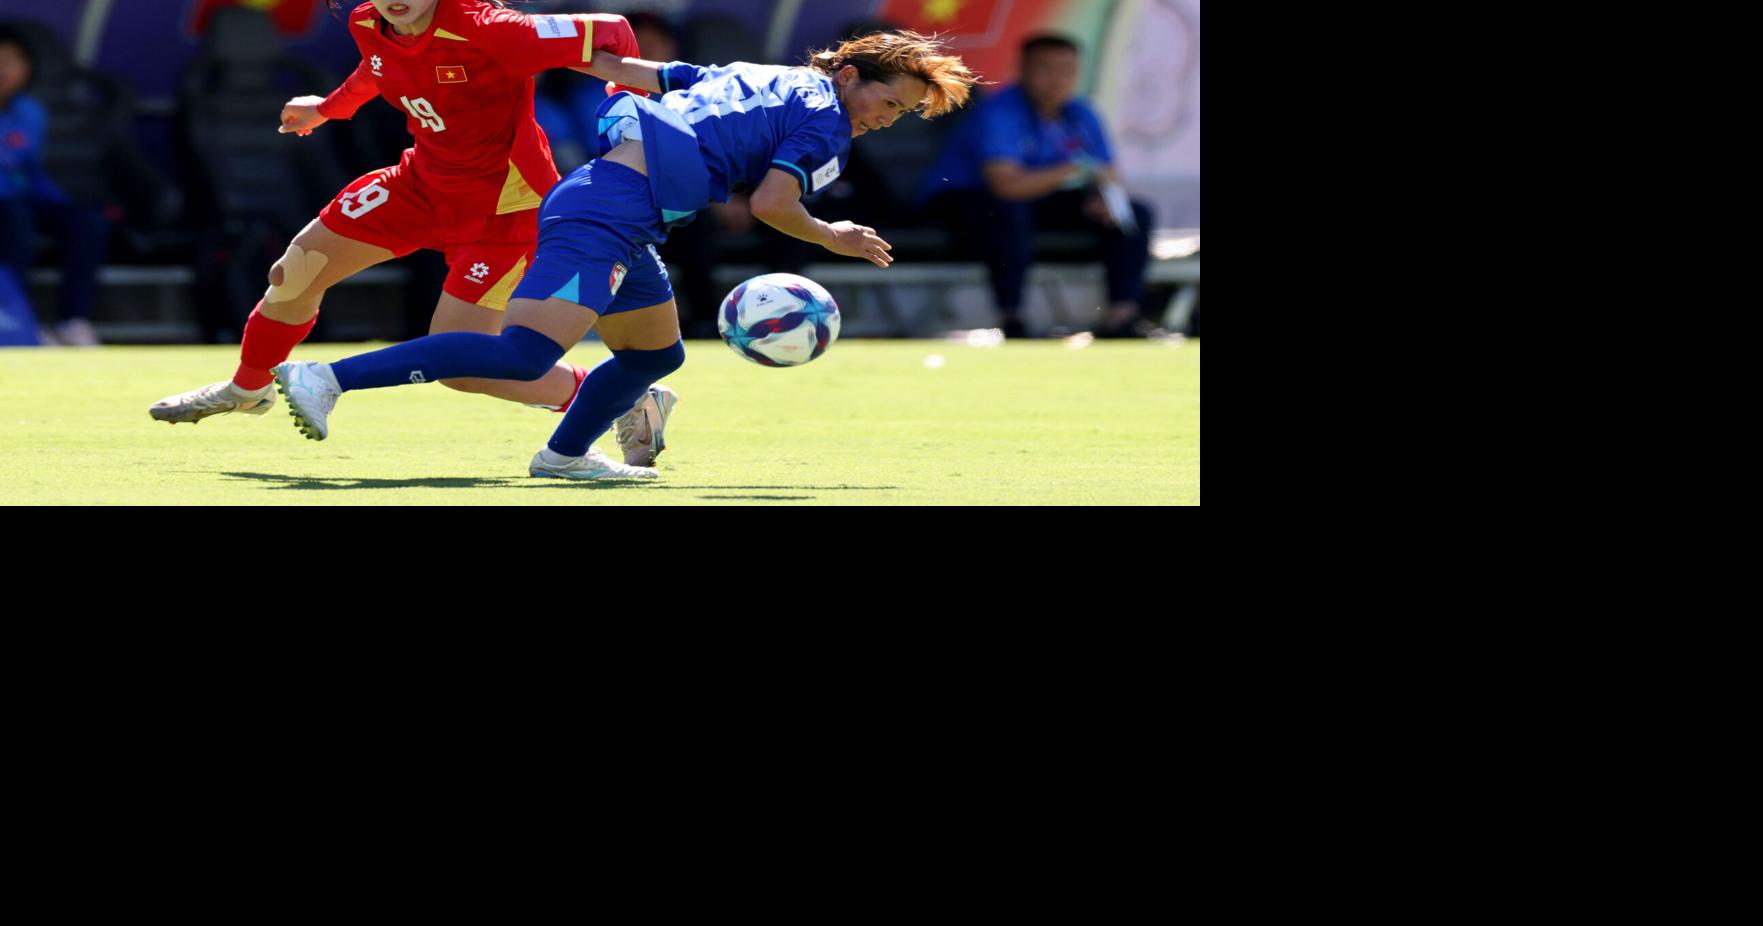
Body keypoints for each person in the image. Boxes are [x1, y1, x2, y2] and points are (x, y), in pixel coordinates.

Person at [272, 30, 977, 480]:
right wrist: (836, 236)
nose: (889, 118)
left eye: (904, 114)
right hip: (610, 211)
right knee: (521, 354)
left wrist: (565, 48)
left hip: (617, 206)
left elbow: (635, 71)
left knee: (653, 356)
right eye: (891, 100)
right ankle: (327, 378)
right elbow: (770, 206)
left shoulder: (767, 76)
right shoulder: (826, 124)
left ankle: (564, 456)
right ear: (850, 73)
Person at [149, 1, 660, 447]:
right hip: (418, 186)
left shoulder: (491, 27)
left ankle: (624, 396)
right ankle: (247, 389)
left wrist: (628, 116)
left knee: (463, 367)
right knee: (296, 271)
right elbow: (376, 69)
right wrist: (326, 110)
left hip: (504, 211)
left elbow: (612, 29)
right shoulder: (368, 21)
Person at [923, 34, 1156, 338]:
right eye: (1046, 69)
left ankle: (1122, 317)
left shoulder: (1082, 114)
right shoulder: (1000, 112)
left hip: (1035, 202)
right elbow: (1006, 186)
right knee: (1007, 212)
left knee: (1133, 213)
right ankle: (1012, 318)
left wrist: (1104, 197)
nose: (1057, 80)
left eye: (1067, 70)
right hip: (962, 203)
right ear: (1022, 70)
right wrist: (1074, 169)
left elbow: (1109, 174)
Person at [0, 25, 107, 347]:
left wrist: (62, 205)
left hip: (20, 199)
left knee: (85, 223)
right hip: (6, 208)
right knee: (15, 223)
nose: (4, 68)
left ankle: (71, 321)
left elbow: (29, 170)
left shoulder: (31, 112)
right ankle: (20, 320)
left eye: (13, 59)